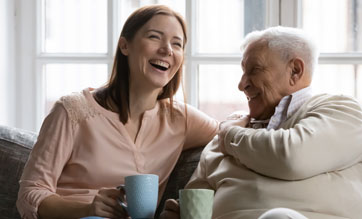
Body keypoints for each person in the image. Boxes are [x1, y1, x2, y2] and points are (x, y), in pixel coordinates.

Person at [16, 5, 218, 219]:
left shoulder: (181, 120)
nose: (167, 49)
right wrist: (88, 209)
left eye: (177, 44)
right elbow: (30, 194)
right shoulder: (72, 111)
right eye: (154, 37)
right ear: (124, 45)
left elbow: (232, 134)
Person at [161, 26, 362, 219]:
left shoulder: (341, 111)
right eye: (243, 72)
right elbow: (197, 201)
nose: (242, 84)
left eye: (254, 70)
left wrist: (230, 136)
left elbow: (291, 158)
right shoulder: (223, 138)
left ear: (295, 71)